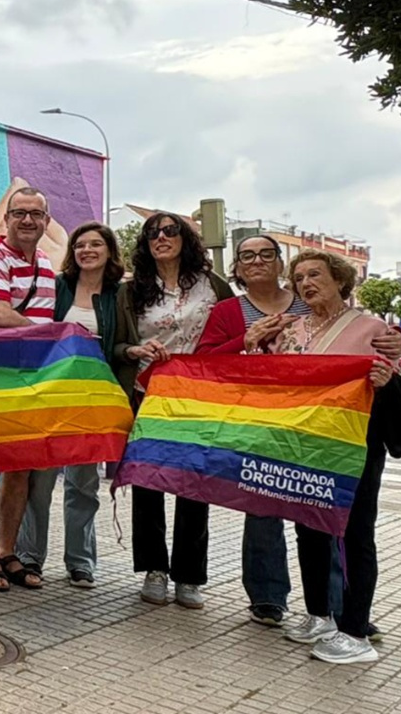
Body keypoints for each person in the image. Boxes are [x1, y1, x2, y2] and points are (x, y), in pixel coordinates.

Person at [196, 234, 401, 628]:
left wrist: (399, 340)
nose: (307, 283)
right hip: (282, 434)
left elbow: (381, 352)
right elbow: (218, 363)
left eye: (266, 254)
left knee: (343, 526)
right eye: (246, 256)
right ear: (237, 266)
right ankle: (291, 605)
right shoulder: (258, 319)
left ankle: (349, 616)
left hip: (345, 440)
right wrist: (247, 341)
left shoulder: (333, 316)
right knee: (287, 519)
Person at [260, 250, 397, 665]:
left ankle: (355, 631)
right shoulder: (292, 329)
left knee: (355, 532)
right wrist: (257, 345)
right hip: (304, 442)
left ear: (339, 280)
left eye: (315, 274)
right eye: (299, 277)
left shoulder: (372, 328)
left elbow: (389, 381)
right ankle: (319, 614)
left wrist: (385, 380)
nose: (306, 283)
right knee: (309, 527)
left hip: (356, 442)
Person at [112, 212, 233, 609]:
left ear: (187, 238)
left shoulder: (213, 285)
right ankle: (154, 569)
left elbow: (234, 334)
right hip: (149, 393)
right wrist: (135, 349)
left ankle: (189, 576)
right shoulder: (131, 290)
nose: (160, 237)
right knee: (148, 481)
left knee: (194, 484)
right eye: (152, 233)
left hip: (200, 396)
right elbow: (115, 344)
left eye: (169, 230)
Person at [16, 221, 124, 590]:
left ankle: (80, 561)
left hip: (92, 401)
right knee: (39, 482)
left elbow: (123, 342)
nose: (87, 251)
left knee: (83, 484)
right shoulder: (57, 286)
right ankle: (29, 556)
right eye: (80, 245)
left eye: (95, 244)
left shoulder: (119, 294)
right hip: (51, 397)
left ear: (109, 251)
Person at [0, 187, 56, 592]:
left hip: (31, 379)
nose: (27, 220)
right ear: (6, 219)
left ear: (46, 221)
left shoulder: (46, 262)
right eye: (19, 213)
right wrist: (56, 336)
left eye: (35, 214)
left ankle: (8, 550)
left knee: (20, 466)